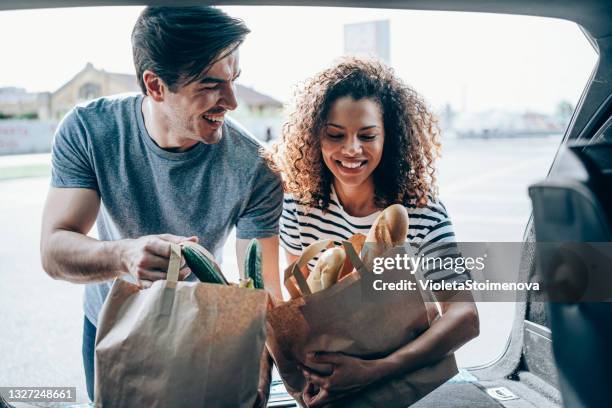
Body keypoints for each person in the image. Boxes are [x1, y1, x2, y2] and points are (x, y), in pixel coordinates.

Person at [39, 6, 282, 406]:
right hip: (111, 327)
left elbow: (263, 291)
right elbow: (53, 251)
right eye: (210, 84)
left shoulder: (256, 167)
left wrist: (258, 373)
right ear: (155, 86)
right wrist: (124, 255)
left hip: (204, 333)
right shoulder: (89, 130)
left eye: (233, 79)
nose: (232, 101)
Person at [270, 57, 480, 406]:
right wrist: (307, 377)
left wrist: (377, 369)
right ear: (314, 138)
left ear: (390, 137)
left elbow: (465, 317)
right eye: (335, 135)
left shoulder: (422, 211)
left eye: (367, 135)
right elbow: (301, 309)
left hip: (405, 385)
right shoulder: (298, 209)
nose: (351, 149)